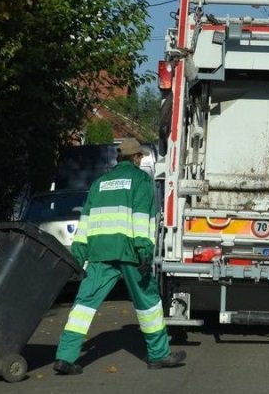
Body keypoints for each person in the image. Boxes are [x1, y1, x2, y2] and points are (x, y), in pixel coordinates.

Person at [54, 138, 186, 374]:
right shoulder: (140, 179)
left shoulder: (99, 183)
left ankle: (65, 357)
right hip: (131, 253)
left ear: (118, 158)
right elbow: (141, 219)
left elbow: (85, 223)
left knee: (84, 304)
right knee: (148, 304)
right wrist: (145, 252)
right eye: (140, 157)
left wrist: (78, 256)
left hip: (100, 253)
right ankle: (158, 355)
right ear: (136, 158)